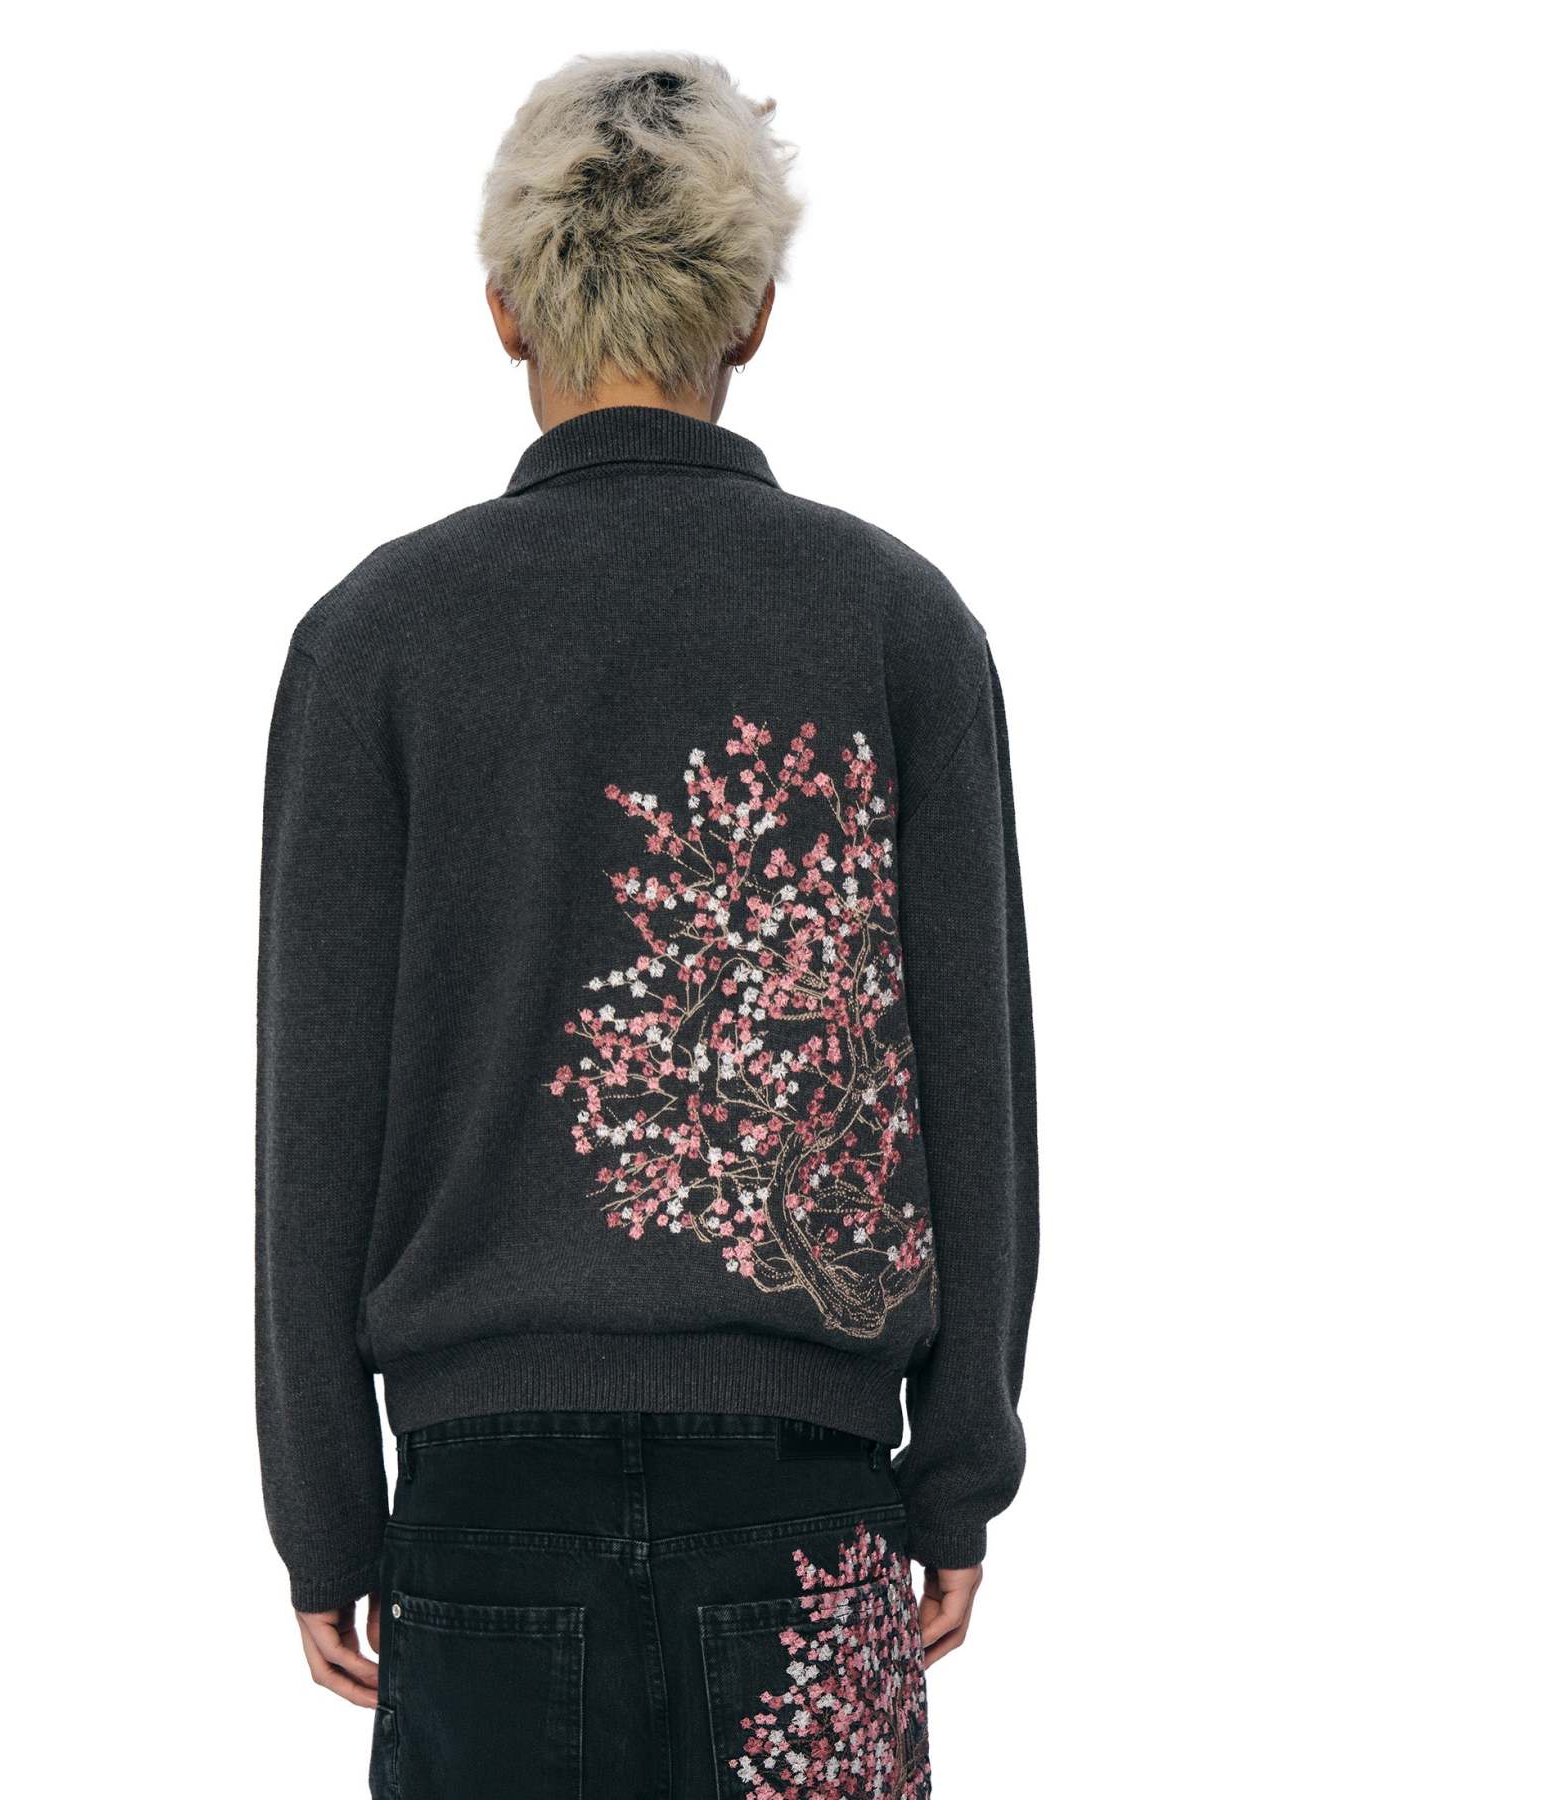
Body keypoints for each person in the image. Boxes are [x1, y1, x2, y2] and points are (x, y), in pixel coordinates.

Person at [256, 51, 1039, 1799]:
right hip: (809, 1506)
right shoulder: (900, 624)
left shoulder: (374, 638)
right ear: (750, 314)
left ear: (503, 312)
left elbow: (314, 1109)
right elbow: (975, 1082)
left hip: (479, 1510)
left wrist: (324, 1510)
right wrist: (956, 1474)